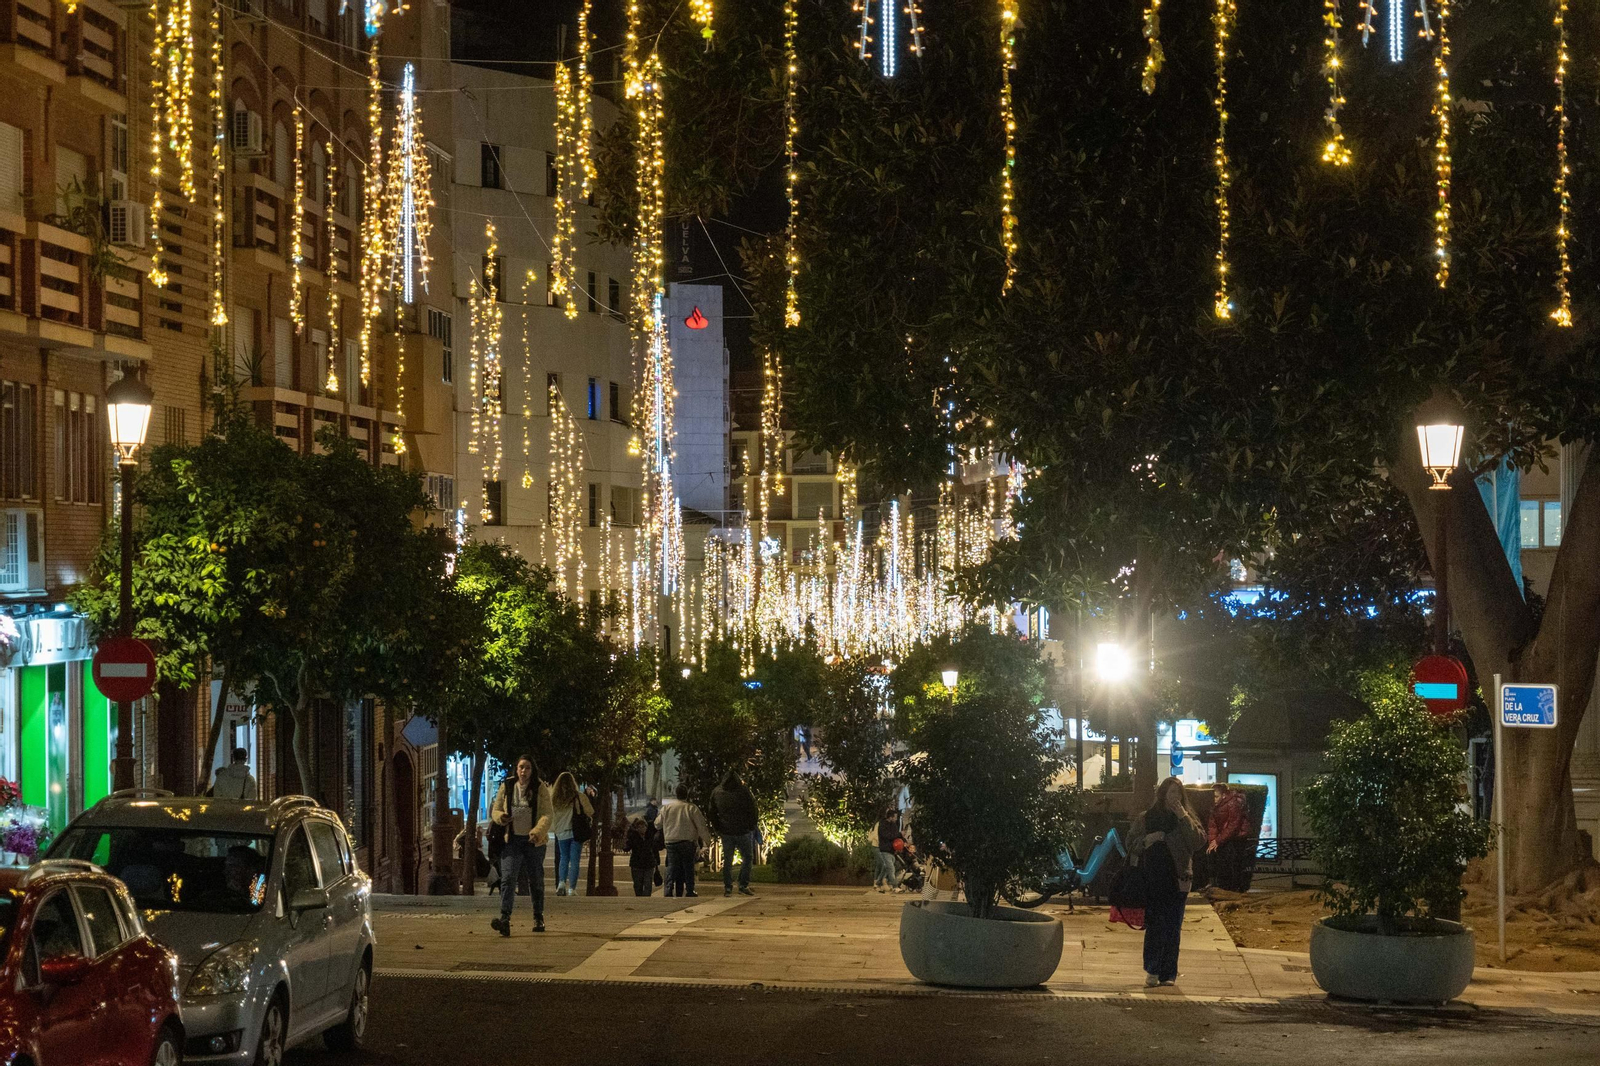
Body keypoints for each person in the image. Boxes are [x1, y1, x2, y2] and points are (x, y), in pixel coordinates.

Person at [1128, 776, 1207, 987]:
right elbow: (1131, 843)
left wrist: (1183, 816)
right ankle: (1152, 969)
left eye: (1178, 794)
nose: (1174, 798)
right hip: (1152, 879)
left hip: (1179, 880)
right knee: (1155, 925)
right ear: (1162, 795)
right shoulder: (1147, 818)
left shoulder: (1186, 818)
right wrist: (1148, 839)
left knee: (1173, 927)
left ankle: (1168, 973)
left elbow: (1198, 842)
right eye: (1171, 793)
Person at [489, 755, 552, 936]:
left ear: (533, 770)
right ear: (516, 769)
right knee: (508, 878)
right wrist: (501, 817)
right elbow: (496, 808)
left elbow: (547, 814)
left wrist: (538, 832)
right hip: (512, 840)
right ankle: (504, 918)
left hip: (534, 842)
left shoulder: (540, 788)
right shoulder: (507, 786)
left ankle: (538, 916)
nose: (523, 771)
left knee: (536, 880)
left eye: (527, 768)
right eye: (521, 767)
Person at [710, 769, 760, 897]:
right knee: (747, 857)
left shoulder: (717, 792)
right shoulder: (744, 791)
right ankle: (743, 884)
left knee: (727, 860)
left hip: (726, 831)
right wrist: (751, 826)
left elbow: (712, 812)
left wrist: (718, 828)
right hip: (743, 830)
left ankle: (728, 887)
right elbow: (753, 809)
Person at [660, 783, 709, 897]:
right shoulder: (691, 808)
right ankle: (690, 890)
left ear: (676, 794)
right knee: (688, 867)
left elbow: (657, 823)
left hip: (671, 841)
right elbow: (701, 826)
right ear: (687, 794)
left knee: (672, 866)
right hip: (687, 842)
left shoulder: (667, 808)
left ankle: (668, 890)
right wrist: (706, 841)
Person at [549, 772, 594, 896]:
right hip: (576, 832)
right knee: (574, 860)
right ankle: (572, 889)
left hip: (561, 832)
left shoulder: (554, 799)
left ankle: (561, 883)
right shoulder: (579, 796)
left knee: (564, 857)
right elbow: (590, 811)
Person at [1207, 782, 1250, 893]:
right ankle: (1220, 885)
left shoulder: (1232, 803)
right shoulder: (1215, 806)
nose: (1214, 799)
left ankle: (1230, 887)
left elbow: (1234, 824)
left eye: (1216, 796)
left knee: (1232, 861)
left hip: (1236, 837)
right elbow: (1213, 825)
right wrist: (1213, 841)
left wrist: (1218, 840)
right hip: (1225, 837)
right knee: (1219, 858)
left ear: (1223, 795)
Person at [623, 815, 664, 897]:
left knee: (648, 884)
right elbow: (626, 848)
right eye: (639, 827)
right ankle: (639, 898)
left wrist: (656, 862)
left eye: (643, 826)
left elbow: (655, 849)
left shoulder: (650, 837)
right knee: (638, 884)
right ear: (637, 828)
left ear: (646, 827)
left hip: (649, 863)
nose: (642, 828)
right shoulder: (633, 837)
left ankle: (646, 899)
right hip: (637, 864)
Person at [874, 805, 904, 893]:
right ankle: (895, 886)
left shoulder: (893, 825)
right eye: (895, 817)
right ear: (890, 817)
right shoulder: (882, 825)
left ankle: (878, 883)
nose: (896, 819)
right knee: (891, 868)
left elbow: (895, 836)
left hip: (892, 850)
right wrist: (898, 834)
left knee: (886, 867)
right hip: (885, 849)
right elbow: (887, 836)